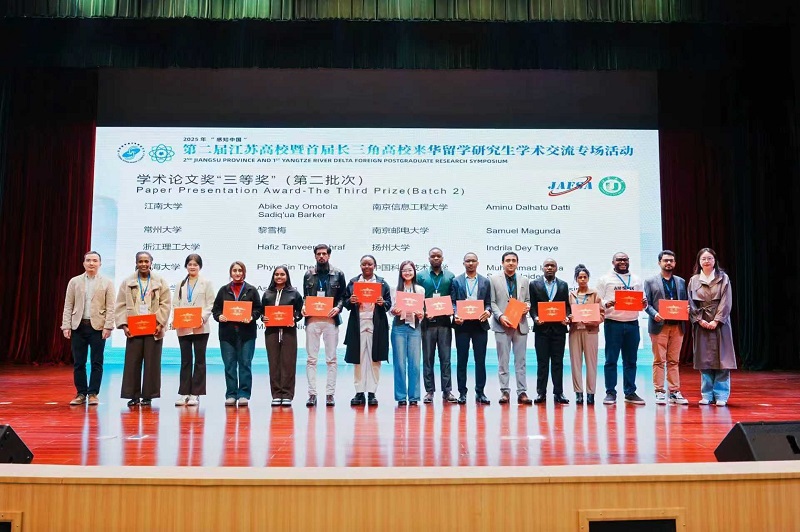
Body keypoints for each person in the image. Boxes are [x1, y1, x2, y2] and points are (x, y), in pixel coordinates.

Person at [115, 251, 171, 407]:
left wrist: (160, 324)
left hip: (154, 329)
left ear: (151, 263)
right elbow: (120, 305)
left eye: (146, 261)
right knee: (132, 363)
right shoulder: (127, 282)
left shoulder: (160, 281)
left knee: (152, 363)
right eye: (140, 261)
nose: (143, 264)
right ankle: (133, 395)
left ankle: (148, 396)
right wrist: (124, 325)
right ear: (136, 263)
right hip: (134, 329)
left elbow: (166, 304)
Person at [61, 251, 116, 406]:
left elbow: (111, 306)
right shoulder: (74, 281)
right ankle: (80, 393)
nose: (91, 263)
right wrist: (66, 325)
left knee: (97, 362)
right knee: (79, 362)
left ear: (100, 264)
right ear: (83, 263)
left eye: (95, 260)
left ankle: (93, 394)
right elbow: (68, 305)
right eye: (88, 260)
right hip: (78, 326)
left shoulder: (107, 282)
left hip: (97, 327)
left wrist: (108, 326)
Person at [596, 252, 647, 405]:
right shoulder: (605, 279)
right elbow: (597, 300)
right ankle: (610, 392)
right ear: (613, 262)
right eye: (619, 260)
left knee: (631, 361)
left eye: (625, 259)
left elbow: (642, 300)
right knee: (611, 360)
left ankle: (630, 392)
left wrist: (644, 303)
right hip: (613, 323)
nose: (622, 262)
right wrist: (606, 304)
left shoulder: (636, 279)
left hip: (632, 323)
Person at [688, 248, 736, 406]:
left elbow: (726, 301)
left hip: (721, 323)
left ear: (715, 260)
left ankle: (721, 395)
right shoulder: (694, 280)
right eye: (703, 259)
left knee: (723, 359)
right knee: (704, 360)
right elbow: (690, 303)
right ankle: (707, 394)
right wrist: (699, 320)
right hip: (701, 323)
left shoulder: (723, 278)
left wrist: (716, 320)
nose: (706, 261)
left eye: (709, 258)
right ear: (699, 261)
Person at [302, 244, 347, 408]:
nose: (321, 256)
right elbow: (305, 296)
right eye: (318, 254)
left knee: (331, 359)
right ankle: (312, 394)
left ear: (329, 255)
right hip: (312, 319)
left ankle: (330, 394)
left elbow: (343, 296)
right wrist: (303, 306)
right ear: (315, 256)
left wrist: (338, 308)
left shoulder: (338, 274)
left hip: (330, 320)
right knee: (311, 359)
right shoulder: (308, 274)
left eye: (324, 254)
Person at [212, 261, 263, 407]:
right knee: (229, 365)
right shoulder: (223, 290)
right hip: (227, 334)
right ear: (230, 273)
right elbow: (216, 310)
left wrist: (252, 317)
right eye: (234, 270)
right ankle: (231, 394)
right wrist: (219, 316)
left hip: (247, 334)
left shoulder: (251, 290)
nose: (237, 273)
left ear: (244, 273)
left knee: (245, 364)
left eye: (240, 270)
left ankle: (244, 394)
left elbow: (258, 309)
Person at [343, 255, 391, 407]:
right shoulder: (353, 283)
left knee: (374, 359)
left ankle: (371, 392)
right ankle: (359, 391)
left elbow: (389, 304)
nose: (367, 267)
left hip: (376, 324)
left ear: (375, 265)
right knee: (358, 359)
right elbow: (345, 302)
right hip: (358, 324)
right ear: (360, 266)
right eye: (364, 264)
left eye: (370, 264)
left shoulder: (382, 283)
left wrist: (383, 303)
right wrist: (350, 301)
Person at [643, 250, 689, 406]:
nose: (668, 263)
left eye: (671, 260)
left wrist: (687, 309)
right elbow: (646, 304)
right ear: (659, 263)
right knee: (659, 361)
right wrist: (654, 314)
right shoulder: (650, 281)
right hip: (659, 326)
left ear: (674, 263)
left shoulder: (681, 281)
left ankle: (674, 392)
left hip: (677, 326)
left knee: (674, 361)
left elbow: (684, 302)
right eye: (665, 260)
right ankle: (659, 391)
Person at [172, 254, 215, 407]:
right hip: (183, 327)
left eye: (195, 264)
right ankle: (184, 392)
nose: (192, 267)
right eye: (190, 264)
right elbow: (175, 304)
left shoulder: (206, 283)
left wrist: (202, 318)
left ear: (199, 267)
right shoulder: (180, 284)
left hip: (200, 327)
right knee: (185, 360)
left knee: (199, 360)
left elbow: (211, 304)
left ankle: (195, 393)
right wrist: (176, 319)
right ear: (186, 266)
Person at [489, 252, 532, 405]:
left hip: (520, 325)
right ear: (502, 263)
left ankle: (522, 392)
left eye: (514, 260)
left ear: (517, 263)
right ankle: (505, 391)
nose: (511, 263)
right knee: (503, 361)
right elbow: (492, 302)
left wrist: (527, 306)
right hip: (502, 325)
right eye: (508, 260)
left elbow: (528, 300)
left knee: (521, 361)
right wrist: (500, 316)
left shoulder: (524, 280)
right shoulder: (493, 279)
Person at [450, 252, 492, 405]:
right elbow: (452, 302)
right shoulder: (456, 281)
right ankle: (462, 392)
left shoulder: (485, 281)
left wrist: (488, 311)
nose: (470, 263)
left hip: (479, 324)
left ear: (478, 263)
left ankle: (480, 392)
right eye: (468, 261)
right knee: (462, 360)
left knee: (480, 360)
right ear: (464, 263)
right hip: (462, 325)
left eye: (473, 261)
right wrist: (455, 313)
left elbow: (488, 303)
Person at [416, 247, 456, 404]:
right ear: (429, 259)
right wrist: (424, 312)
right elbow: (417, 298)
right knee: (428, 358)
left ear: (443, 258)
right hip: (427, 324)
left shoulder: (450, 276)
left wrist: (452, 310)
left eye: (439, 256)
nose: (436, 258)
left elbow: (454, 299)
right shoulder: (421, 276)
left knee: (446, 359)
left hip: (445, 323)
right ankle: (429, 391)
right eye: (433, 256)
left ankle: (447, 391)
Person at [529, 258, 571, 405]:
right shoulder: (534, 284)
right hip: (541, 329)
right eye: (547, 265)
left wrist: (567, 316)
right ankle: (541, 393)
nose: (549, 268)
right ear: (542, 268)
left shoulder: (563, 285)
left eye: (552, 265)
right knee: (542, 363)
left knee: (558, 362)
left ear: (556, 268)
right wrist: (535, 318)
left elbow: (566, 306)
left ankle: (558, 393)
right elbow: (532, 306)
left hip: (559, 329)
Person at [262, 266, 304, 406]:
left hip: (289, 332)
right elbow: (262, 312)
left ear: (287, 276)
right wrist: (263, 318)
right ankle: (276, 394)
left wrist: (294, 318)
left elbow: (300, 311)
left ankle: (287, 394)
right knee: (273, 363)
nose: (279, 277)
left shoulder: (294, 293)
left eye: (282, 274)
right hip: (271, 332)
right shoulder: (267, 294)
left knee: (288, 363)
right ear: (273, 276)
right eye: (277, 274)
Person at [390, 260, 425, 406]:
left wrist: (421, 314)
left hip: (414, 327)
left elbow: (422, 311)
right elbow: (390, 310)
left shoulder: (420, 290)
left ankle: (414, 397)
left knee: (415, 364)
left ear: (414, 272)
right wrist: (394, 311)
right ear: (400, 272)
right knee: (399, 363)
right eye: (404, 270)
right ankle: (401, 397)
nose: (407, 273)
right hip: (399, 327)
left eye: (410, 270)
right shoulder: (395, 289)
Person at [567, 265, 603, 405]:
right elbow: (567, 313)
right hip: (575, 331)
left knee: (591, 363)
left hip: (590, 331)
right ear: (576, 279)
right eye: (580, 277)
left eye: (585, 277)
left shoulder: (594, 294)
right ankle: (578, 393)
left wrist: (593, 321)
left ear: (588, 278)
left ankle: (591, 393)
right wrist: (568, 318)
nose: (582, 279)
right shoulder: (571, 295)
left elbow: (602, 314)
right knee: (575, 363)